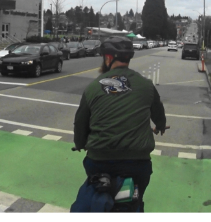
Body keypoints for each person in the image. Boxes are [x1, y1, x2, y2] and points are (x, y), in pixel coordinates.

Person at [72, 36, 168, 212]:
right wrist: (160, 126)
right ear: (128, 58)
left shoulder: (93, 87)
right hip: (137, 162)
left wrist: (80, 143)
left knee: (96, 194)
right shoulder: (146, 85)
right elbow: (158, 114)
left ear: (108, 58)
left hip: (99, 159)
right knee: (136, 201)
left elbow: (80, 123)